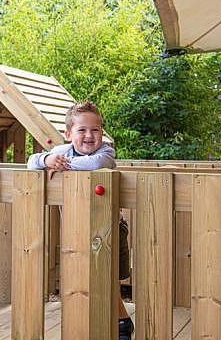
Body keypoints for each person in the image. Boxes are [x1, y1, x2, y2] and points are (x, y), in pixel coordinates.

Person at [27, 100, 134, 340]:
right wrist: (47, 161)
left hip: (109, 229)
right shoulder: (61, 152)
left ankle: (121, 322)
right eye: (82, 130)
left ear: (102, 132)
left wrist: (64, 166)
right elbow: (31, 162)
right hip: (78, 230)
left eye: (95, 129)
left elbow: (95, 164)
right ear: (68, 134)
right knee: (84, 279)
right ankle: (117, 322)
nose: (89, 135)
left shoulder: (105, 151)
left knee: (108, 278)